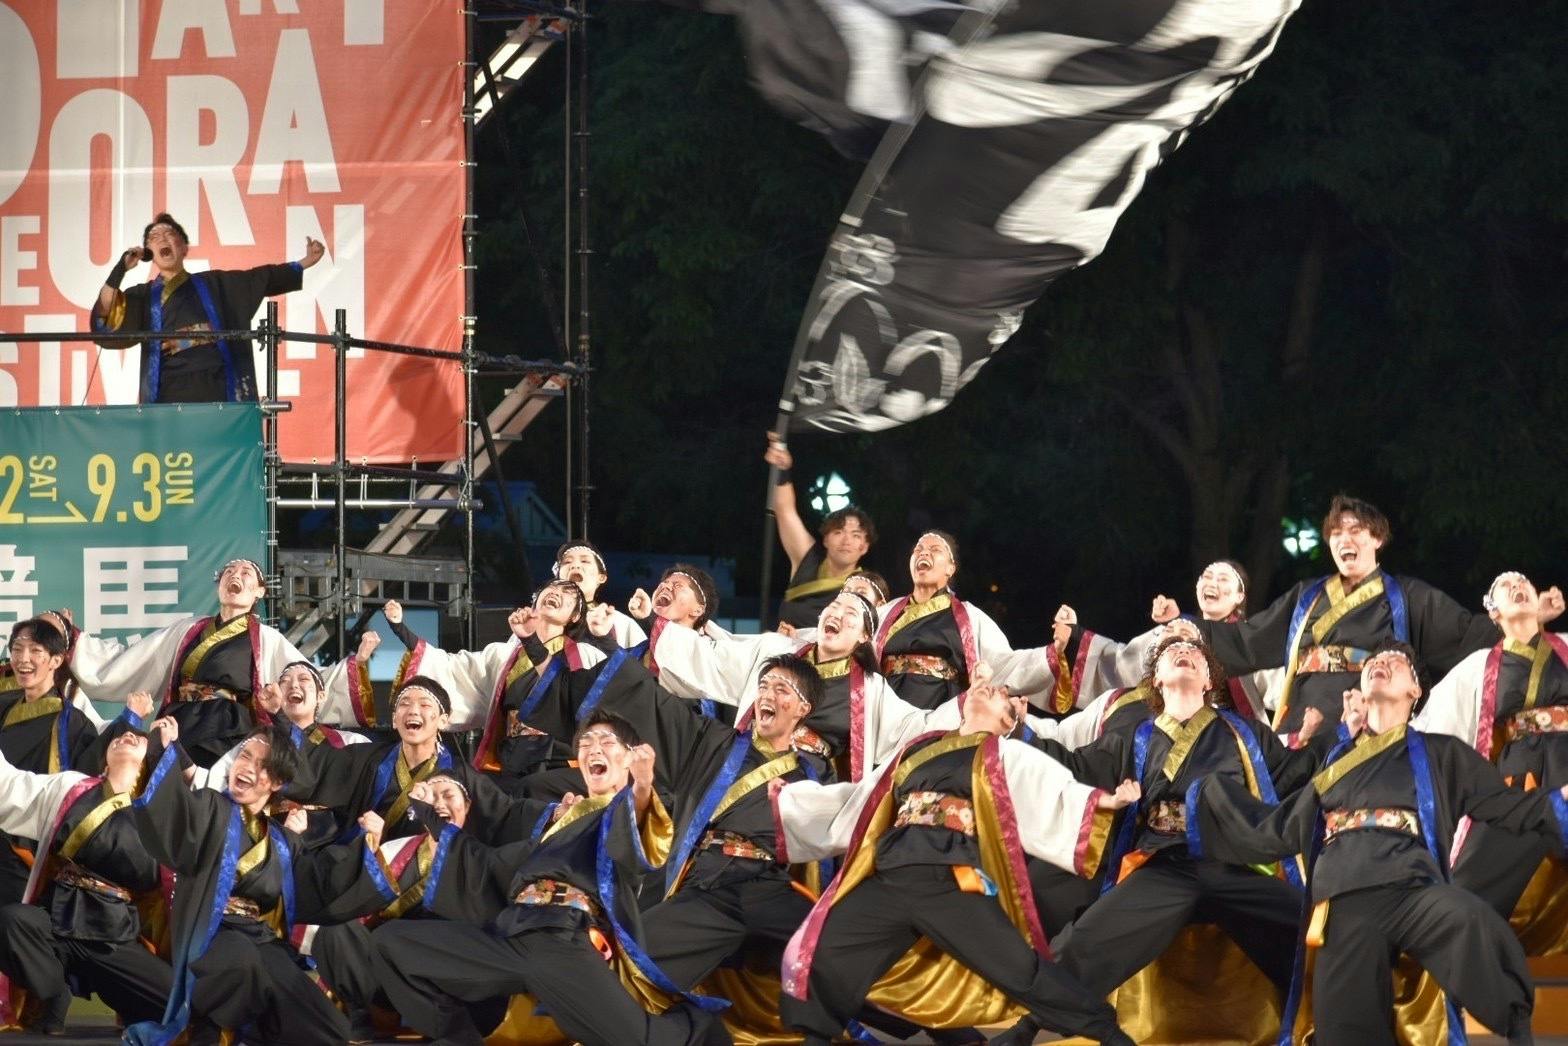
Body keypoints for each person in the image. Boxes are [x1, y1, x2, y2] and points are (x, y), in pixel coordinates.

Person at [1194, 640, 1568, 1044]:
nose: (1381, 663)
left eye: (1396, 662)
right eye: (1374, 661)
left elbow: (1505, 806)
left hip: (1412, 890)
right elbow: (1279, 829)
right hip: (1345, 898)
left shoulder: (1442, 753)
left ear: (1415, 690)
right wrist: (1212, 793)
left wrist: (1560, 801)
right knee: (1344, 1031)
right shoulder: (1336, 763)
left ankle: (1518, 1028)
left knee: (1470, 920)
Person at [772, 670, 1136, 1045]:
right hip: (892, 875)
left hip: (951, 880)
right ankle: (814, 1038)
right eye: (986, 687)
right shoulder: (918, 748)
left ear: (1007, 722)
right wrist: (793, 801)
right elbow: (861, 799)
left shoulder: (1003, 752)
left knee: (1020, 972)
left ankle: (1108, 1033)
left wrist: (1104, 802)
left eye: (999, 694)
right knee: (824, 949)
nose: (989, 688)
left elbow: (1053, 789)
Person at [992, 634, 1318, 1046]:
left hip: (1230, 862)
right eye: (1170, 653)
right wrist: (1019, 731)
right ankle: (1027, 1028)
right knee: (1085, 940)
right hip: (1164, 865)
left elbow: (1294, 775)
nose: (1183, 652)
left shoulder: (1245, 733)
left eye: (1195, 653)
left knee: (1309, 929)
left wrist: (1343, 737)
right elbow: (1077, 766)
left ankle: (1334, 1023)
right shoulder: (1134, 737)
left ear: (1208, 681)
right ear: (1156, 680)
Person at [370, 711, 731, 1046]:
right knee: (392, 943)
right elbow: (489, 864)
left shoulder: (624, 809)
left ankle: (705, 1031)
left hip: (562, 940)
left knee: (638, 1040)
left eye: (606, 741)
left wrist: (643, 783)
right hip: (512, 935)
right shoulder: (561, 825)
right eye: (586, 743)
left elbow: (637, 835)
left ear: (629, 758)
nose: (593, 748)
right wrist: (433, 819)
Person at [128, 719, 408, 1046]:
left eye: (262, 765)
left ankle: (250, 1031)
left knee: (329, 1029)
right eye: (244, 756)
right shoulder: (209, 807)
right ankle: (210, 1031)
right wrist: (161, 751)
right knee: (241, 964)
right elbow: (174, 816)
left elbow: (320, 881)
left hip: (260, 938)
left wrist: (369, 846)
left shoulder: (283, 843)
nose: (247, 766)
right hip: (214, 934)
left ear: (276, 782)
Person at [1191, 495, 1547, 736]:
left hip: (1368, 721)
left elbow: (1466, 633)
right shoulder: (1306, 597)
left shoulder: (1407, 597)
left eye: (1355, 531)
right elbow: (1248, 640)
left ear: (1377, 539)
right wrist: (1186, 629)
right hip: (1302, 722)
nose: (1344, 539)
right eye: (1336, 533)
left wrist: (1524, 621)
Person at [1416, 571, 1568, 938]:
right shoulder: (1479, 666)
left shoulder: (1565, 645)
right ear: (1493, 612)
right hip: (1518, 780)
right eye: (1505, 586)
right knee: (1468, 886)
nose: (1517, 586)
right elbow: (1434, 726)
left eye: (1523, 583)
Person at [0, 708, 170, 1034]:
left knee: (172, 1007)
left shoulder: (158, 813)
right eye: (120, 735)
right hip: (57, 920)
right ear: (104, 760)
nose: (128, 735)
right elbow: (9, 787)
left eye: (138, 740)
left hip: (114, 933)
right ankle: (53, 991)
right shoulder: (72, 788)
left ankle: (125, 1000)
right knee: (13, 921)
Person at [68, 560, 314, 767]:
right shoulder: (189, 629)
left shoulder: (266, 638)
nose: (235, 576)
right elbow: (135, 658)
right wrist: (71, 640)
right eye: (228, 572)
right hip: (180, 723)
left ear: (259, 591)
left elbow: (307, 680)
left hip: (228, 730)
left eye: (245, 573)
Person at [90, 213, 326, 403]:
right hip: (168, 389)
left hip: (216, 383)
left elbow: (262, 277)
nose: (162, 239)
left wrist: (305, 262)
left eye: (169, 234)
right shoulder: (143, 295)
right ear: (149, 252)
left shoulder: (215, 283)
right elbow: (106, 310)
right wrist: (121, 268)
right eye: (154, 237)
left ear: (184, 247)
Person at [1055, 559, 1276, 719]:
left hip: (1229, 740)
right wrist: (1074, 637)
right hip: (1170, 735)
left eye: (1223, 579)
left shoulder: (1248, 641)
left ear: (1239, 596)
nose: (1212, 583)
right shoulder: (1174, 630)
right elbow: (1121, 664)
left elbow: (1279, 681)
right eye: (1207, 577)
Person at [874, 531, 1063, 710]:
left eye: (935, 549)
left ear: (950, 568)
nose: (923, 552)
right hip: (885, 706)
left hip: (940, 710)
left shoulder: (969, 618)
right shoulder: (885, 613)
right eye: (918, 549)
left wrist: (1058, 651)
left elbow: (1006, 663)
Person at [763, 435, 877, 631]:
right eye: (838, 532)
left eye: (856, 535)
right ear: (825, 539)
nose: (846, 540)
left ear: (864, 547)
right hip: (784, 647)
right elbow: (784, 510)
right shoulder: (807, 559)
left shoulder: (866, 587)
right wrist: (782, 469)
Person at [555, 540, 648, 650]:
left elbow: (644, 658)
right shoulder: (544, 618)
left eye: (585, 561)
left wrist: (647, 619)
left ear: (601, 577)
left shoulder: (620, 622)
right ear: (558, 577)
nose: (575, 565)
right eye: (567, 562)